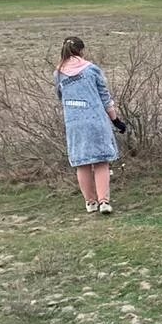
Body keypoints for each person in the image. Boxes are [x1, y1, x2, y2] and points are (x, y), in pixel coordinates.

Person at [55, 37, 122, 215]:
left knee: (82, 163)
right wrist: (116, 120)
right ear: (81, 51)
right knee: (101, 162)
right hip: (95, 119)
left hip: (74, 123)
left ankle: (90, 202)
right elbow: (105, 98)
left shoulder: (59, 73)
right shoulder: (91, 70)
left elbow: (61, 97)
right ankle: (104, 201)